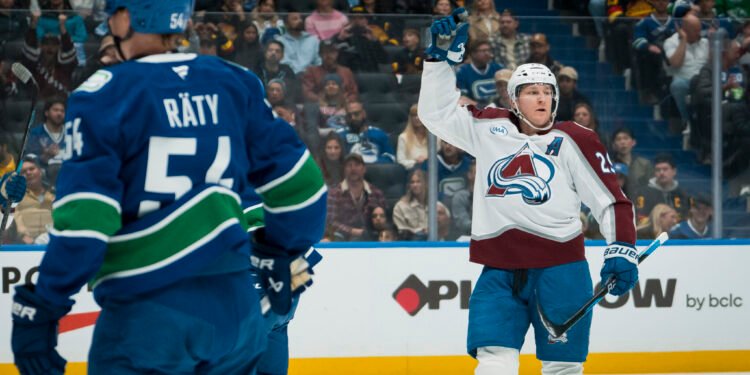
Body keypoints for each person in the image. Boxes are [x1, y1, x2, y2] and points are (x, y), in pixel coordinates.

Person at [10, 2, 328, 374]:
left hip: (147, 315)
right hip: (236, 312)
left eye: (113, 14)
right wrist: (278, 251)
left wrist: (45, 303)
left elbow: (86, 222)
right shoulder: (233, 80)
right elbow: (303, 188)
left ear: (128, 18)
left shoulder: (102, 95)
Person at [419, 9, 638, 374]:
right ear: (512, 100)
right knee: (494, 360)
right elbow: (435, 115)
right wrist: (438, 63)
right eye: (531, 92)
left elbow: (611, 200)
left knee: (562, 367)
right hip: (501, 270)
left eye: (547, 92)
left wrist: (622, 250)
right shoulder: (488, 127)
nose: (541, 99)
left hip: (562, 270)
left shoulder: (575, 139)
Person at [326, 152, 386, 241]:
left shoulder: (376, 193)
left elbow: (384, 219)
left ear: (364, 169)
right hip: (343, 241)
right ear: (344, 170)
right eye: (349, 166)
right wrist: (352, 231)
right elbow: (331, 222)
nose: (353, 169)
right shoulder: (334, 194)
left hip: (371, 240)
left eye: (357, 165)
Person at [633, 153, 690, 222]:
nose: (661, 173)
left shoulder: (682, 194)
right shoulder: (643, 193)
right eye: (658, 170)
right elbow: (640, 217)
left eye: (665, 169)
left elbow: (685, 217)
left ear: (674, 171)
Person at [396, 103, 430, 170]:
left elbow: (439, 158)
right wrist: (415, 162)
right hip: (411, 172)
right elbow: (400, 161)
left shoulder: (434, 138)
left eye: (419, 115)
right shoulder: (403, 137)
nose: (417, 118)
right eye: (414, 115)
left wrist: (426, 161)